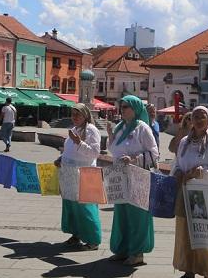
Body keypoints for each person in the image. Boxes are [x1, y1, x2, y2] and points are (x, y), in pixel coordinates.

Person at [172, 106, 208, 278]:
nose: (198, 119)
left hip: (205, 194)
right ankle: (189, 270)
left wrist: (200, 172)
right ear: (190, 120)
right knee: (185, 234)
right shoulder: (185, 142)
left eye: (202, 116)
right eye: (195, 116)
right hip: (186, 192)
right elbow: (177, 163)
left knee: (205, 234)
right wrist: (179, 172)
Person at [106, 95, 158, 266]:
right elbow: (114, 151)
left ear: (135, 109)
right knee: (121, 214)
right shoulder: (120, 127)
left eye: (126, 106)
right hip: (120, 175)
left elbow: (154, 154)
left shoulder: (142, 128)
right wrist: (110, 137)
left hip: (137, 176)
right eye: (121, 106)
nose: (122, 109)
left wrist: (135, 159)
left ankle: (137, 252)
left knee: (137, 215)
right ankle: (122, 249)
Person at [54, 103, 102, 250]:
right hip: (70, 175)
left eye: (77, 114)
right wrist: (61, 158)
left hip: (84, 174)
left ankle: (93, 240)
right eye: (72, 114)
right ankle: (76, 235)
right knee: (72, 208)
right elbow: (69, 150)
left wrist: (78, 142)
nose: (74, 117)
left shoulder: (91, 130)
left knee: (86, 208)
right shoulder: (74, 130)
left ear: (85, 115)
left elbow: (94, 152)